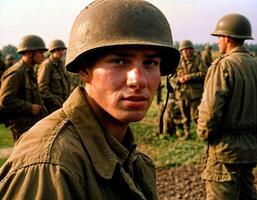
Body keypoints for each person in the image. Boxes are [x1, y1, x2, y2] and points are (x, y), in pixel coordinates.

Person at [0, 0, 180, 199]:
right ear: (85, 70)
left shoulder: (131, 157)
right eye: (119, 61)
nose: (138, 80)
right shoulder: (51, 166)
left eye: (150, 62)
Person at [197, 13, 257, 200]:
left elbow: (210, 110)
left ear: (228, 38)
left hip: (225, 150)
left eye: (219, 37)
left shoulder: (223, 67)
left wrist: (204, 133)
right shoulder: (255, 64)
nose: (218, 43)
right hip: (251, 147)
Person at [0, 35, 48, 141]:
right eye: (40, 52)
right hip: (22, 128)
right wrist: (29, 107)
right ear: (29, 53)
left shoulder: (30, 71)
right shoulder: (17, 72)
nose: (42, 55)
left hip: (32, 125)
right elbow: (6, 100)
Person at [175, 40, 207, 139]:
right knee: (185, 116)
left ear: (191, 50)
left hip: (195, 93)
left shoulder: (198, 60)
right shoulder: (178, 62)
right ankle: (187, 133)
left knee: (196, 116)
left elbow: (204, 73)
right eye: (183, 50)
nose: (185, 52)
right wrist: (179, 80)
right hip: (182, 93)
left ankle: (201, 134)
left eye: (187, 49)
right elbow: (172, 78)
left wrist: (191, 76)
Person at [37, 39, 70, 113]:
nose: (61, 52)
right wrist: (55, 101)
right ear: (52, 51)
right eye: (58, 50)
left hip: (62, 104)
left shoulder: (60, 64)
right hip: (51, 107)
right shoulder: (47, 65)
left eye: (62, 50)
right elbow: (42, 89)